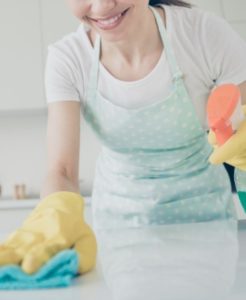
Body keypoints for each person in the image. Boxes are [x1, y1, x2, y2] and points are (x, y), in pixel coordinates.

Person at [1, 0, 246, 277]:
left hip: (208, 222)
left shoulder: (203, 34)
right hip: (120, 234)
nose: (103, 5)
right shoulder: (68, 59)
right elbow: (62, 170)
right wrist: (53, 214)